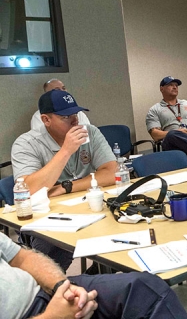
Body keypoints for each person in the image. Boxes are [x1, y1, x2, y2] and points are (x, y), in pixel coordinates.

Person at [12, 90, 117, 271]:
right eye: (66, 117)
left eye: (75, 114)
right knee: (47, 267)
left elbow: (111, 173)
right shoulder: (26, 143)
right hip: (50, 219)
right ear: (46, 120)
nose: (75, 121)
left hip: (87, 208)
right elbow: (27, 189)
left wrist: (66, 187)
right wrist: (66, 150)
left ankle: (97, 277)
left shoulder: (90, 132)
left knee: (120, 236)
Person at [0, 232, 187, 319]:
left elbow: (21, 258)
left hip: (45, 292)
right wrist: (53, 316)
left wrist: (61, 286)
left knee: (145, 290)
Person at [146, 76, 187, 164]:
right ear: (162, 89)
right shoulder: (155, 109)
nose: (175, 87)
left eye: (176, 85)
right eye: (171, 85)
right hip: (173, 143)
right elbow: (155, 135)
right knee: (172, 133)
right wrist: (179, 132)